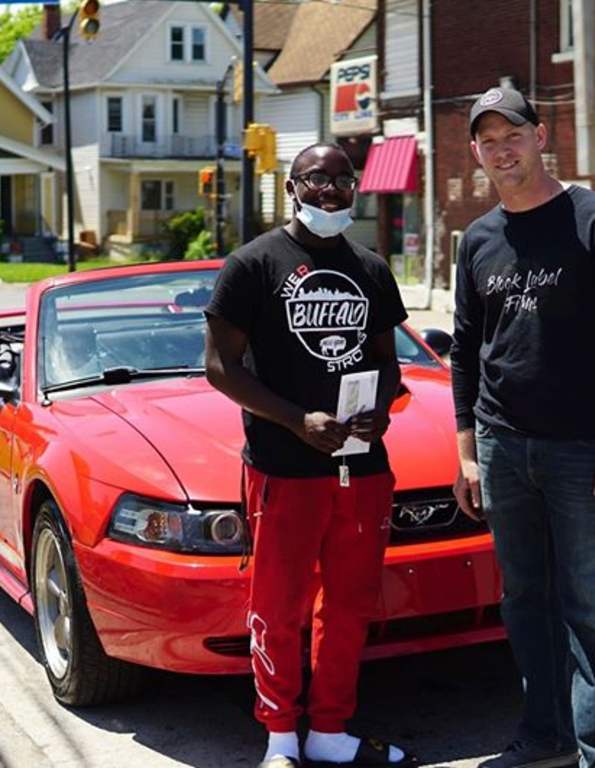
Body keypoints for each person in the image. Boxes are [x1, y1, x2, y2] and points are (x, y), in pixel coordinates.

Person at [451, 87, 595, 768]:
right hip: (501, 446)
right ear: (475, 152)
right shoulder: (478, 240)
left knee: (591, 607)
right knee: (524, 602)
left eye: (512, 134)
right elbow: (464, 350)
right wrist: (468, 453)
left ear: (540, 136)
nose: (502, 151)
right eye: (488, 141)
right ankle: (546, 738)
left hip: (583, 450)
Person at [204, 143, 417, 768]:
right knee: (279, 606)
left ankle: (329, 732)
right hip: (284, 466)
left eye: (343, 180)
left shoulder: (370, 268)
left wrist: (382, 405)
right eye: (317, 178)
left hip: (362, 467)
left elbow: (386, 360)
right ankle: (279, 737)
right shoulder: (252, 264)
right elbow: (220, 367)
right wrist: (297, 420)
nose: (331, 190)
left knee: (349, 605)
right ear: (291, 187)